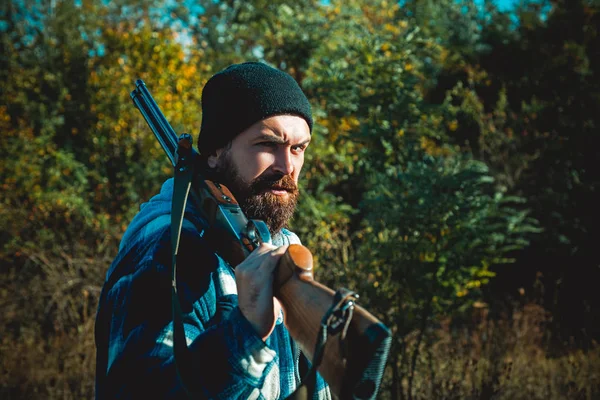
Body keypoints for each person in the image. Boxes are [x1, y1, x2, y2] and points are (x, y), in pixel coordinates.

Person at [94, 62, 331, 399]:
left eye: (298, 148)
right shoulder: (170, 247)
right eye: (267, 144)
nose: (287, 166)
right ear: (217, 151)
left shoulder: (278, 245)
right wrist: (245, 333)